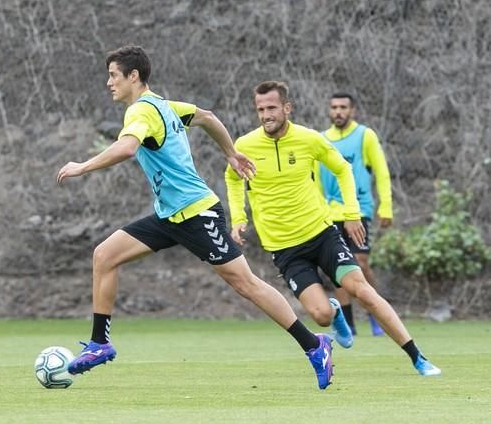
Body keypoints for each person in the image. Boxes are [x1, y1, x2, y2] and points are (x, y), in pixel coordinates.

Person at [57, 46, 334, 389]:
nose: (108, 82)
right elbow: (206, 116)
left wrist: (82, 166)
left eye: (114, 75)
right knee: (104, 255)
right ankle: (100, 343)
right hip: (170, 216)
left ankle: (314, 345)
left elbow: (127, 147)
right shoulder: (165, 106)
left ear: (133, 76)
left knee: (245, 284)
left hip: (197, 213)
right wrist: (231, 153)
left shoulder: (141, 112)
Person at [225, 80, 441, 377]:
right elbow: (234, 179)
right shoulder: (246, 145)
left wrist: (352, 213)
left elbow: (343, 169)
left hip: (321, 234)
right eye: (260, 109)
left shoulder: (309, 139)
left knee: (362, 290)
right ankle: (336, 311)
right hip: (284, 248)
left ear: (287, 108)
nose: (266, 115)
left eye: (272, 108)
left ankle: (418, 357)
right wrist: (238, 218)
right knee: (322, 316)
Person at [316, 92, 393, 336]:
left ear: (352, 111)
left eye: (343, 107)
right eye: (334, 107)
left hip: (358, 210)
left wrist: (386, 206)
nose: (338, 111)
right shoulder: (321, 139)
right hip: (329, 214)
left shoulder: (365, 136)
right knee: (338, 268)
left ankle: (375, 314)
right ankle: (348, 324)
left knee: (360, 262)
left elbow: (381, 172)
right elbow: (315, 178)